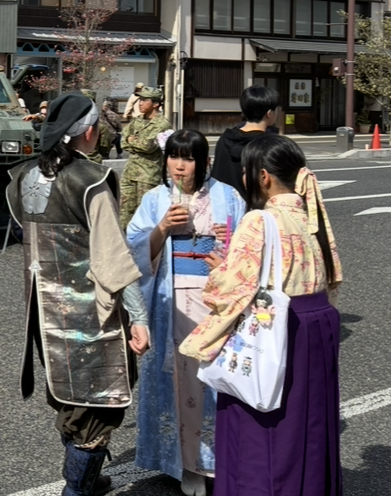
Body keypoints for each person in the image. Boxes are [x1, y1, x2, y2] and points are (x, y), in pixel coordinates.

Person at [179, 135, 344, 496]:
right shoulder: (310, 216)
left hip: (276, 332)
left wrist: (220, 271)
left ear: (264, 176)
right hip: (316, 326)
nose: (244, 178)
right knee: (310, 426)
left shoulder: (260, 220)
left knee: (262, 430)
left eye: (247, 171)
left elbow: (231, 289)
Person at [6, 92, 151, 496]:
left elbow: (22, 234)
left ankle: (88, 479)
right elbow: (113, 258)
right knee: (99, 403)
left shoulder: (21, 176)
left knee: (68, 393)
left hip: (43, 310)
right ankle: (77, 489)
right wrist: (139, 318)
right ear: (88, 132)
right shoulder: (91, 180)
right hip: (90, 313)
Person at [126, 130, 246, 496]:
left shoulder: (228, 196)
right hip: (171, 297)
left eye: (189, 158)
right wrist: (162, 228)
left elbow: (246, 250)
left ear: (204, 162)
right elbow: (133, 250)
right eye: (174, 157)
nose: (180, 166)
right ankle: (187, 463)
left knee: (213, 380)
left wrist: (228, 248)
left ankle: (219, 458)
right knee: (181, 381)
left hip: (214, 300)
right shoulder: (154, 199)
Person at [211, 85, 281, 202]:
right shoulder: (268, 145)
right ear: (269, 113)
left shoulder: (225, 138)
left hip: (223, 205)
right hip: (255, 209)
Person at [119, 86, 172, 227]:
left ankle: (144, 240)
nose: (140, 103)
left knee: (144, 212)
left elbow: (148, 146)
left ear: (156, 104)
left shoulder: (162, 124)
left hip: (147, 174)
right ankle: (125, 237)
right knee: (124, 211)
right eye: (140, 100)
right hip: (130, 172)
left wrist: (132, 140)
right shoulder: (137, 120)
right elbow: (123, 141)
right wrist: (131, 141)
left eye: (144, 100)